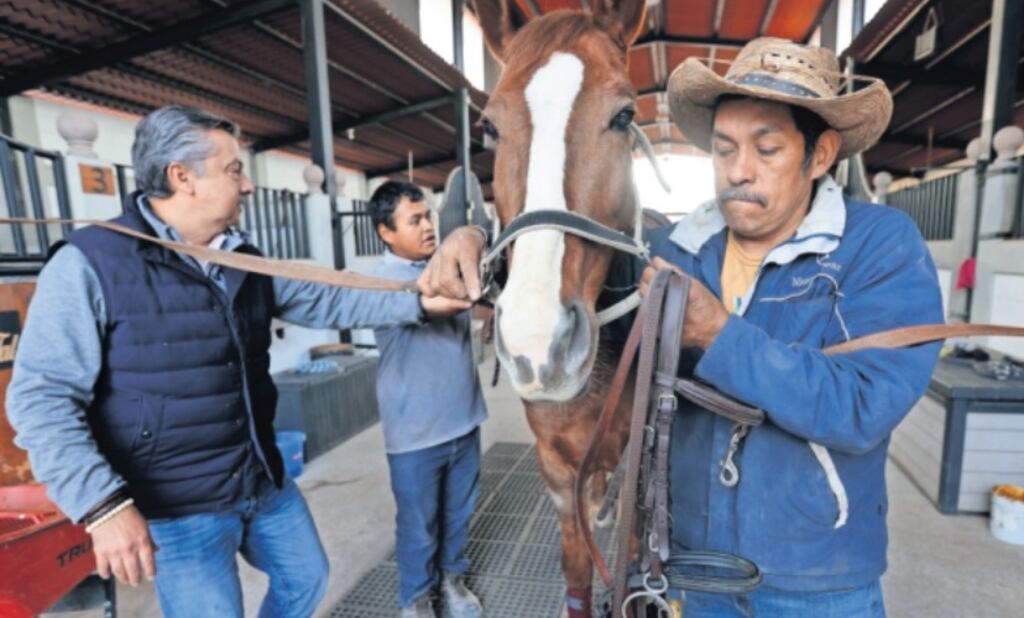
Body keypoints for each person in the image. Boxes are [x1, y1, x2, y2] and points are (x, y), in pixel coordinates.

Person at [415, 38, 944, 617]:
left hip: (815, 576)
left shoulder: (880, 246)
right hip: (689, 566)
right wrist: (478, 243)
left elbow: (863, 406)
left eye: (766, 149)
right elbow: (565, 259)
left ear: (819, 156)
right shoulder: (673, 252)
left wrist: (718, 335)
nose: (739, 171)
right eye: (723, 150)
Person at [6, 106, 468, 618]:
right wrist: (103, 507)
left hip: (258, 476)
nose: (247, 185)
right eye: (233, 170)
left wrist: (419, 303)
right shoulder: (90, 263)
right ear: (183, 178)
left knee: (306, 576)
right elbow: (39, 399)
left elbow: (330, 299)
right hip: (176, 503)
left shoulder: (241, 256)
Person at [366, 181, 487, 618]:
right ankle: (416, 599)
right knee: (419, 527)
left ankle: (452, 582)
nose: (428, 227)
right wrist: (471, 238)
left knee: (458, 516)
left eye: (429, 217)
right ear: (385, 232)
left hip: (463, 419)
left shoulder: (445, 265)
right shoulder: (380, 280)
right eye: (414, 220)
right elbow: (447, 300)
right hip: (414, 432)